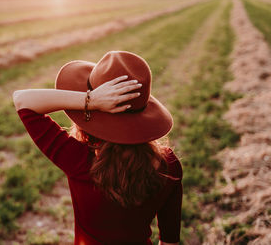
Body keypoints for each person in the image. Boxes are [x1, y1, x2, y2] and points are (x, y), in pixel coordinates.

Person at [12, 51, 183, 245]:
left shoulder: (78, 160)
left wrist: (89, 100)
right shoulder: (169, 165)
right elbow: (170, 241)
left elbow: (22, 100)